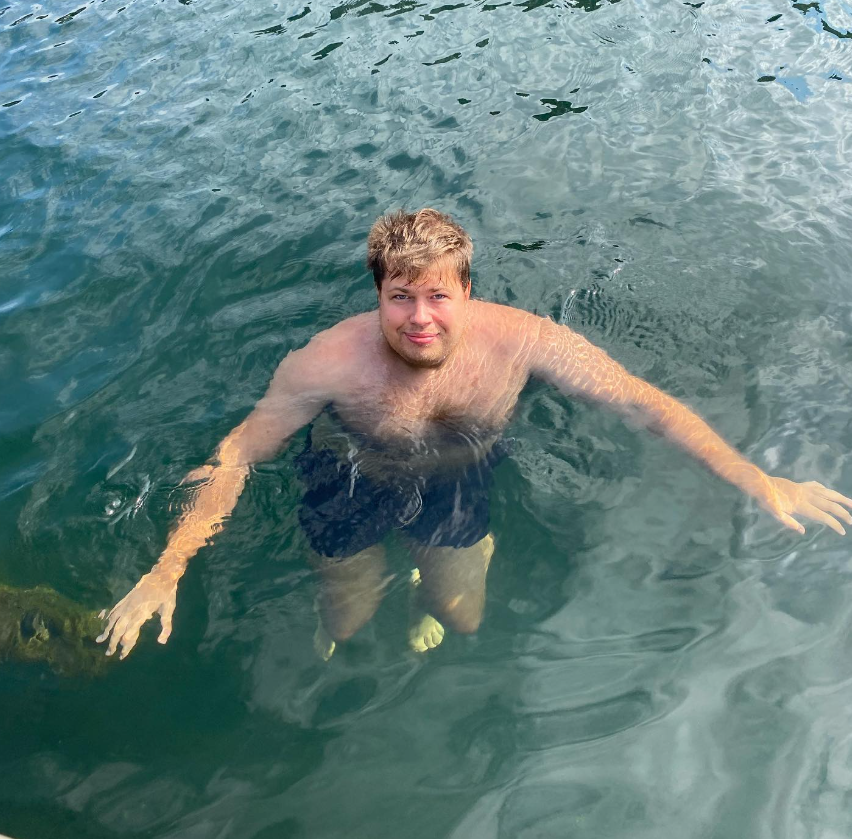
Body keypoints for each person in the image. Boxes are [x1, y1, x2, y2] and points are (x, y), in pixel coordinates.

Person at [97, 208, 852, 661]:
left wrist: (758, 479)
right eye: (400, 297)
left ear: (466, 290)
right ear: (378, 295)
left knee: (462, 617)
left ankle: (432, 589)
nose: (419, 318)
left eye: (437, 295)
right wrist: (168, 568)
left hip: (459, 478)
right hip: (349, 477)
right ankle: (366, 598)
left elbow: (641, 402)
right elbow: (236, 453)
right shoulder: (325, 362)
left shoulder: (526, 341)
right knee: (346, 622)